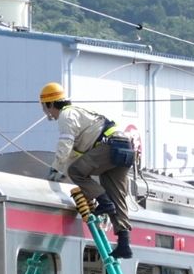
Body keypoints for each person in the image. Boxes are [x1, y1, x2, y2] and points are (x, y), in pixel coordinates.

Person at [39, 81, 135, 259]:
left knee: (76, 171)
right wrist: (61, 171)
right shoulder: (79, 114)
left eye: (45, 107)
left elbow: (65, 144)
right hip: (124, 147)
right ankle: (124, 243)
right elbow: (74, 154)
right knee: (117, 196)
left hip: (110, 146)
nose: (46, 112)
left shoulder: (66, 115)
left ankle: (104, 202)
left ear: (50, 103)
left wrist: (55, 169)